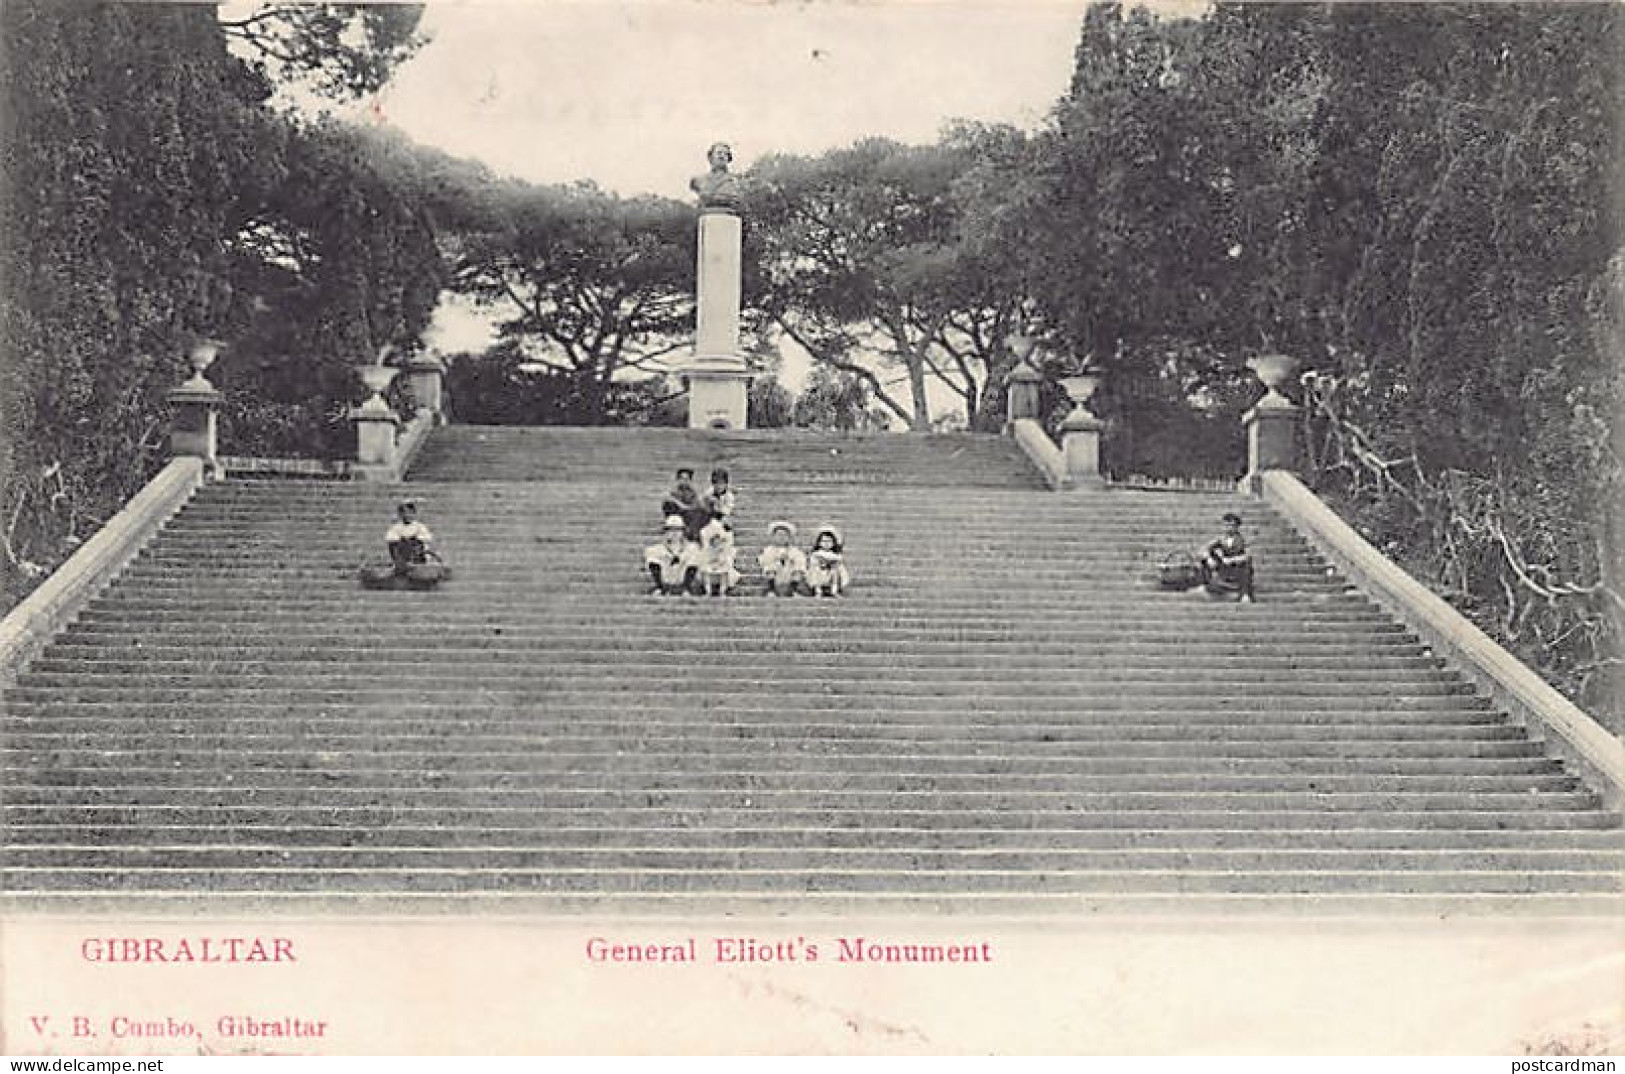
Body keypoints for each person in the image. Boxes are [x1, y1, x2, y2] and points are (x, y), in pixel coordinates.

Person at [361, 500, 448, 589]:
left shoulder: (420, 527)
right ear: (400, 515)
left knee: (416, 544)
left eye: (409, 513)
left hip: (418, 555)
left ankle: (414, 568)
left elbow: (425, 540)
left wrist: (414, 542)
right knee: (398, 544)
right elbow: (391, 540)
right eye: (404, 513)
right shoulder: (396, 527)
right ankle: (401, 566)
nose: (407, 515)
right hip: (401, 556)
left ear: (414, 513)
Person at [1203, 512, 1256, 603]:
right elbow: (1205, 548)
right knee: (1207, 559)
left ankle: (1245, 594)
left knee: (1246, 567)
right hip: (1224, 567)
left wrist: (1232, 560)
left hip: (1238, 567)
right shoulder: (1221, 539)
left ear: (1236, 527)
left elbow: (1248, 556)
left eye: (1231, 525)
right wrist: (1209, 558)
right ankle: (1209, 586)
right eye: (1226, 525)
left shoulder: (1243, 539)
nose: (1228, 528)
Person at [644, 515, 698, 596]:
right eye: (670, 530)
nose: (674, 533)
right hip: (666, 577)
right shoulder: (657, 549)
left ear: (683, 532)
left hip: (681, 575)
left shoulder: (691, 548)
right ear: (666, 532)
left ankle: (686, 588)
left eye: (678, 530)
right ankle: (660, 587)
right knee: (653, 555)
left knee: (694, 555)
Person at [757, 520, 807, 597]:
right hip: (776, 575)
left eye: (784, 535)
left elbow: (800, 562)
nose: (781, 538)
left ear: (789, 537)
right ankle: (771, 589)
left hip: (789, 574)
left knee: (798, 568)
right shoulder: (768, 550)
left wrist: (789, 559)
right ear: (774, 537)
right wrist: (777, 559)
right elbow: (763, 561)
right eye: (779, 535)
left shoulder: (795, 551)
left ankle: (793, 590)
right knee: (769, 566)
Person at [661, 467, 710, 543]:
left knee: (703, 513)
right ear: (678, 480)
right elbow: (668, 500)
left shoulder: (691, 491)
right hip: (677, 516)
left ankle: (693, 534)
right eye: (682, 479)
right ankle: (691, 534)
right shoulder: (674, 491)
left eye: (687, 479)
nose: (684, 481)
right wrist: (682, 505)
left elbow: (697, 504)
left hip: (689, 516)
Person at [697, 513, 740, 597]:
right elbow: (706, 545)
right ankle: (707, 590)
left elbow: (728, 547)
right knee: (704, 565)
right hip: (710, 555)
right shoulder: (707, 531)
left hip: (723, 557)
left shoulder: (728, 534)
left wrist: (721, 553)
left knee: (726, 564)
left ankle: (722, 590)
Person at [805, 524, 850, 597]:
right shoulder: (816, 554)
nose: (826, 543)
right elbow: (813, 562)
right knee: (814, 570)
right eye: (823, 541)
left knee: (836, 570)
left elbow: (838, 561)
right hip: (819, 573)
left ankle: (834, 590)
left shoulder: (835, 555)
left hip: (831, 574)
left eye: (829, 541)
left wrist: (832, 564)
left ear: (833, 543)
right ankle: (818, 590)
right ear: (819, 543)